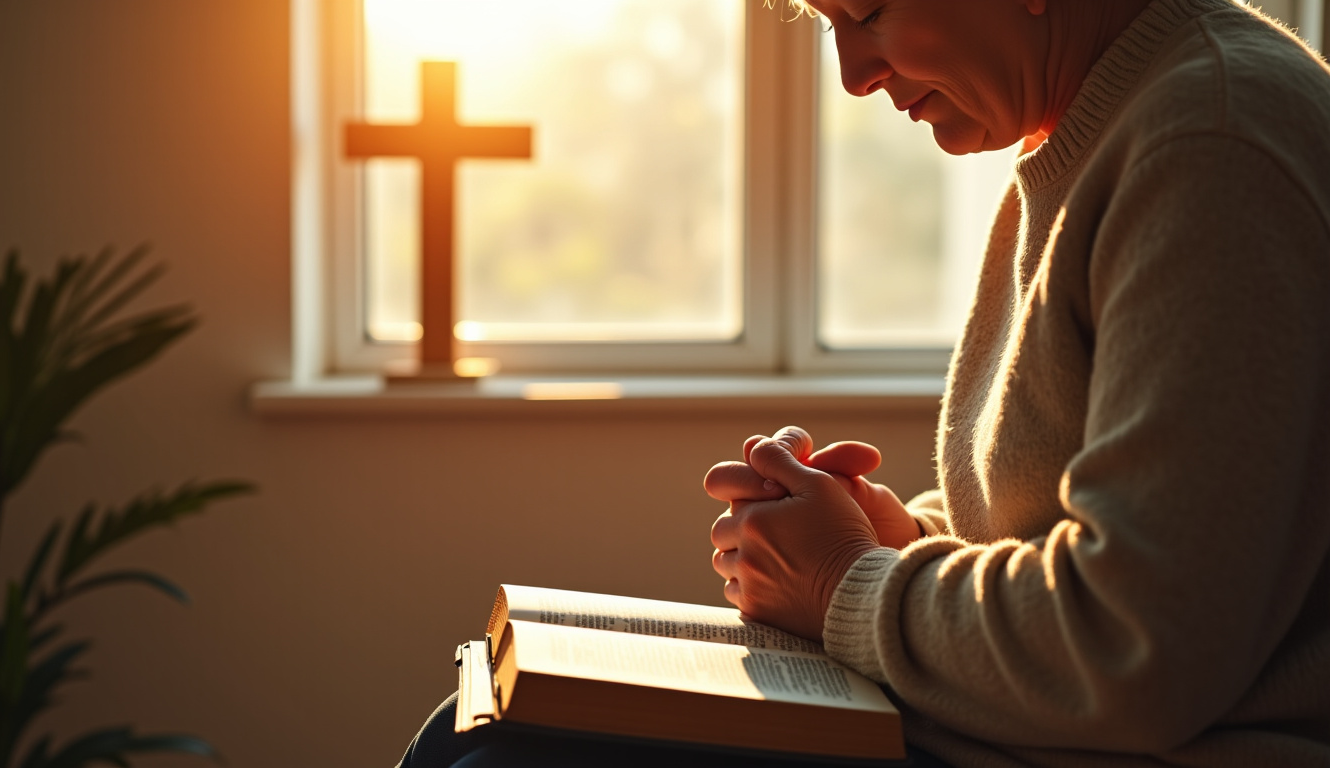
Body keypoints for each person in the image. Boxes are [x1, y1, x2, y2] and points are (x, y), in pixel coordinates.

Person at [399, 0, 1330, 765]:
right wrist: (902, 536)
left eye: (871, 13)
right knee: (478, 721)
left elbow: (1143, 653)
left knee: (505, 759)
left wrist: (849, 582)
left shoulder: (1209, 143)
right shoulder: (1093, 134)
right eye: (828, 22)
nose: (853, 75)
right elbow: (1079, 529)